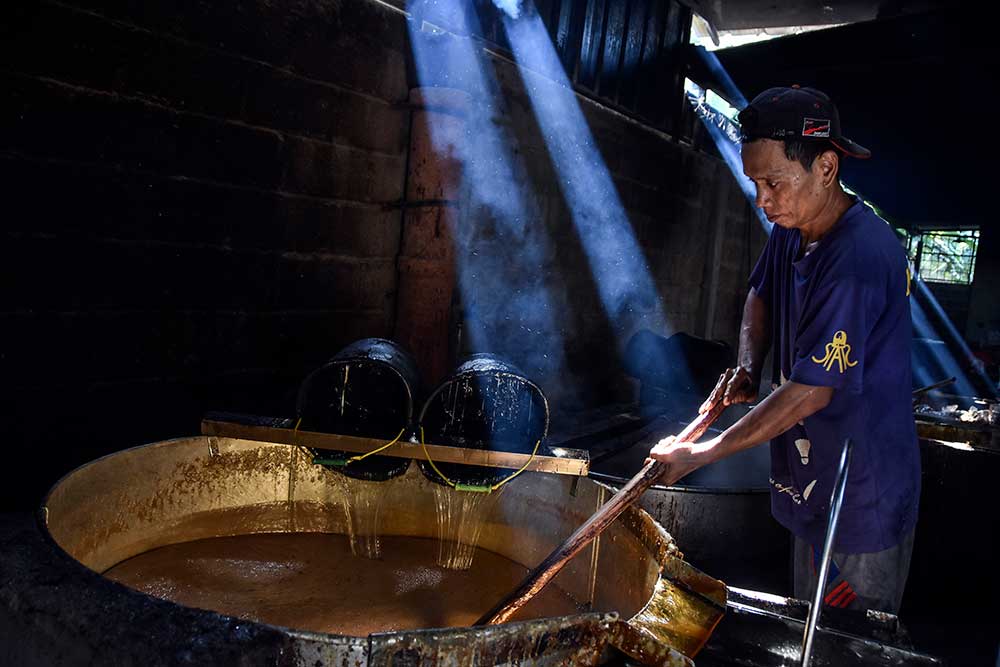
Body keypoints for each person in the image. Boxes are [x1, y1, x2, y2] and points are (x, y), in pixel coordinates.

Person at [648, 86, 920, 614]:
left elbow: (809, 393)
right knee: (804, 622)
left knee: (847, 640)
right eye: (756, 183)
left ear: (825, 167)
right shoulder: (793, 228)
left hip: (861, 491)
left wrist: (701, 453)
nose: (763, 200)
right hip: (813, 478)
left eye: (774, 182)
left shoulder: (860, 256)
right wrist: (748, 365)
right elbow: (761, 292)